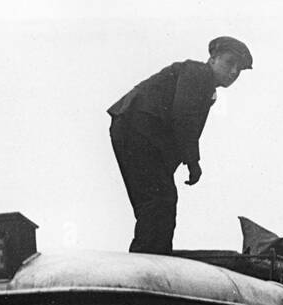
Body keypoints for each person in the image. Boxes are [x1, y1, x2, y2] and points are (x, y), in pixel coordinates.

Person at [107, 36, 252, 254]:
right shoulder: (197, 73)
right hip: (137, 127)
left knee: (157, 203)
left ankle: (151, 257)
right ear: (212, 59)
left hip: (137, 131)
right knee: (160, 201)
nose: (233, 72)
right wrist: (193, 162)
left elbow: (177, 131)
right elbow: (184, 116)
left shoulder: (206, 89)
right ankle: (149, 261)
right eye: (230, 63)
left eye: (238, 69)